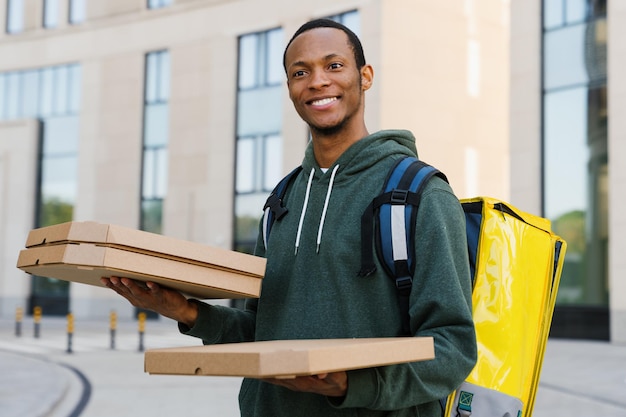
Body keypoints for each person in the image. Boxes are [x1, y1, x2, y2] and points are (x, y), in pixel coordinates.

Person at [102, 18, 477, 417]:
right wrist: (186, 311)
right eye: (301, 72)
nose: (317, 81)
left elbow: (452, 346)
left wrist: (351, 385)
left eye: (334, 66)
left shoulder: (420, 194)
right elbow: (263, 335)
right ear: (290, 89)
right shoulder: (281, 201)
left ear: (365, 76)